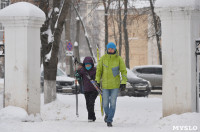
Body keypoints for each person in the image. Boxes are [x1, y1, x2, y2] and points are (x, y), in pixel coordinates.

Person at [95, 42, 127, 127]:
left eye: (112, 48)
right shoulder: (103, 58)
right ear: (107, 49)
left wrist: (123, 82)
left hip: (115, 86)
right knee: (105, 104)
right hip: (105, 85)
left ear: (115, 49)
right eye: (109, 48)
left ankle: (109, 120)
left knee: (113, 103)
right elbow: (99, 71)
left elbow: (123, 71)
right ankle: (107, 114)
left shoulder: (118, 59)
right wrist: (97, 81)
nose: (110, 50)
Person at [78, 56, 98, 122]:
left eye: (89, 65)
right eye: (86, 65)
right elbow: (78, 76)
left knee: (91, 103)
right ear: (84, 65)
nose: (88, 66)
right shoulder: (82, 70)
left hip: (94, 90)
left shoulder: (95, 70)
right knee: (88, 104)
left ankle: (90, 118)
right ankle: (93, 116)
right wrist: (77, 73)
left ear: (92, 64)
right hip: (86, 90)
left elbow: (99, 78)